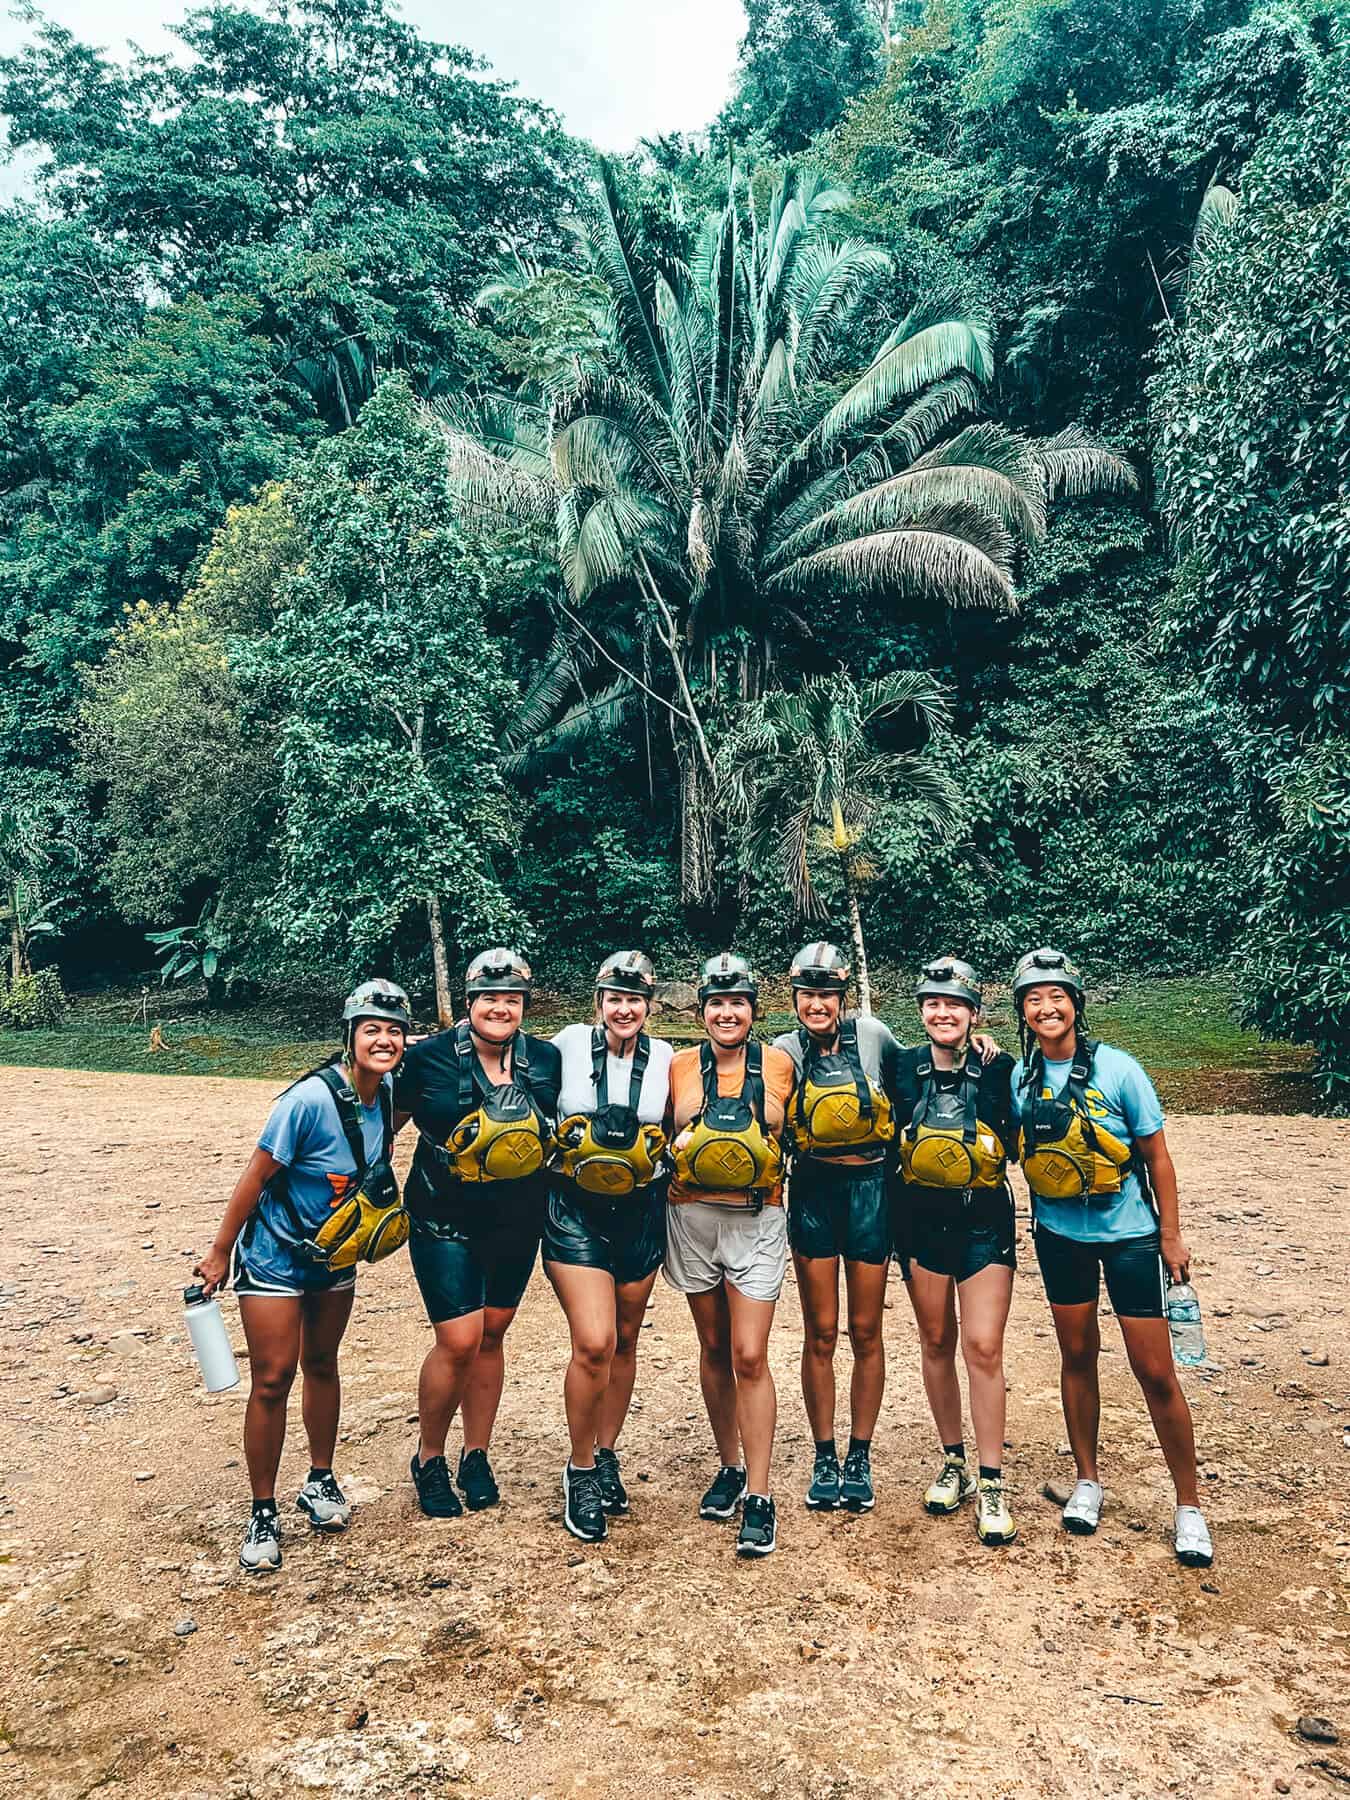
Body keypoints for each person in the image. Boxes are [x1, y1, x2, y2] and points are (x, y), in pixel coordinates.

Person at [192, 980, 411, 1573]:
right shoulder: (307, 1102)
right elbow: (255, 1178)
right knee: (273, 1377)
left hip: (334, 1255)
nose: (384, 1040)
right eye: (372, 1029)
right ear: (349, 1035)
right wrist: (218, 1254)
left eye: (394, 1030)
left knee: (323, 1364)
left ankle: (320, 1479)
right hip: (273, 1256)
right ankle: (263, 1509)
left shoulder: (388, 1095)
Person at [1011, 947, 1214, 1568]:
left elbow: (1157, 1157)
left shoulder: (1120, 1070)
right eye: (1033, 999)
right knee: (1077, 1354)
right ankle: (1088, 1481)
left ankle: (1188, 1506)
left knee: (1154, 1369)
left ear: (1075, 1003)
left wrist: (1171, 1236)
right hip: (1060, 1235)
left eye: (1057, 996)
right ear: (1022, 1012)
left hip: (1129, 1235)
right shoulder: (1020, 1078)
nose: (1047, 1008)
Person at [393, 949, 561, 1520]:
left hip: (517, 1217)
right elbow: (382, 1125)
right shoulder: (428, 1060)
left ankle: (477, 1455)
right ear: (469, 1004)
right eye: (489, 997)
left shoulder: (546, 1060)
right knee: (459, 1340)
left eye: (511, 999)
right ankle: (429, 1457)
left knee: (492, 1334)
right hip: (444, 1216)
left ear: (524, 1005)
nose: (500, 1008)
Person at [664, 953, 795, 1558]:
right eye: (716, 1003)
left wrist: (978, 1039)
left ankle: (761, 1494)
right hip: (691, 1214)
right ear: (701, 1011)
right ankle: (730, 1465)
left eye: (737, 1002)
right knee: (714, 1347)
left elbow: (857, 1047)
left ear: (753, 1009)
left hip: (756, 1216)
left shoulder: (781, 1063)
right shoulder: (675, 1066)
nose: (726, 1013)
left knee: (749, 1353)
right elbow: (655, 1132)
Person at [546, 952, 673, 1543]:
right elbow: (498, 1057)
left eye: (635, 1000)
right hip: (575, 1210)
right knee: (593, 1341)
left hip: (641, 1213)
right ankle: (579, 1467)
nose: (625, 1009)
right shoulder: (566, 1044)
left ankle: (608, 1451)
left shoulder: (669, 1058)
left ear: (649, 1006)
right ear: (598, 1003)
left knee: (624, 1339)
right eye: (613, 998)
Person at [771, 942, 900, 1516]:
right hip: (815, 1191)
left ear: (842, 998)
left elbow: (921, 1071)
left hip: (872, 1189)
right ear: (794, 997)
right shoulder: (783, 1050)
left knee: (866, 1331)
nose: (816, 1004)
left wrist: (977, 1042)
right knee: (820, 1332)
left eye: (826, 994)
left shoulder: (873, 1036)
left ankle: (860, 1454)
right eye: (807, 994)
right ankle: (825, 1455)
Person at [893, 958, 1018, 1546]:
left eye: (955, 1005)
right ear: (921, 1011)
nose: (943, 1014)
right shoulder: (900, 1067)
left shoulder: (1001, 1070)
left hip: (983, 1221)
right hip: (919, 1223)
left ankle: (992, 1478)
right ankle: (953, 1461)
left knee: (983, 1346)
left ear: (973, 1013)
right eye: (933, 1004)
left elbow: (1021, 1142)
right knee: (936, 1342)